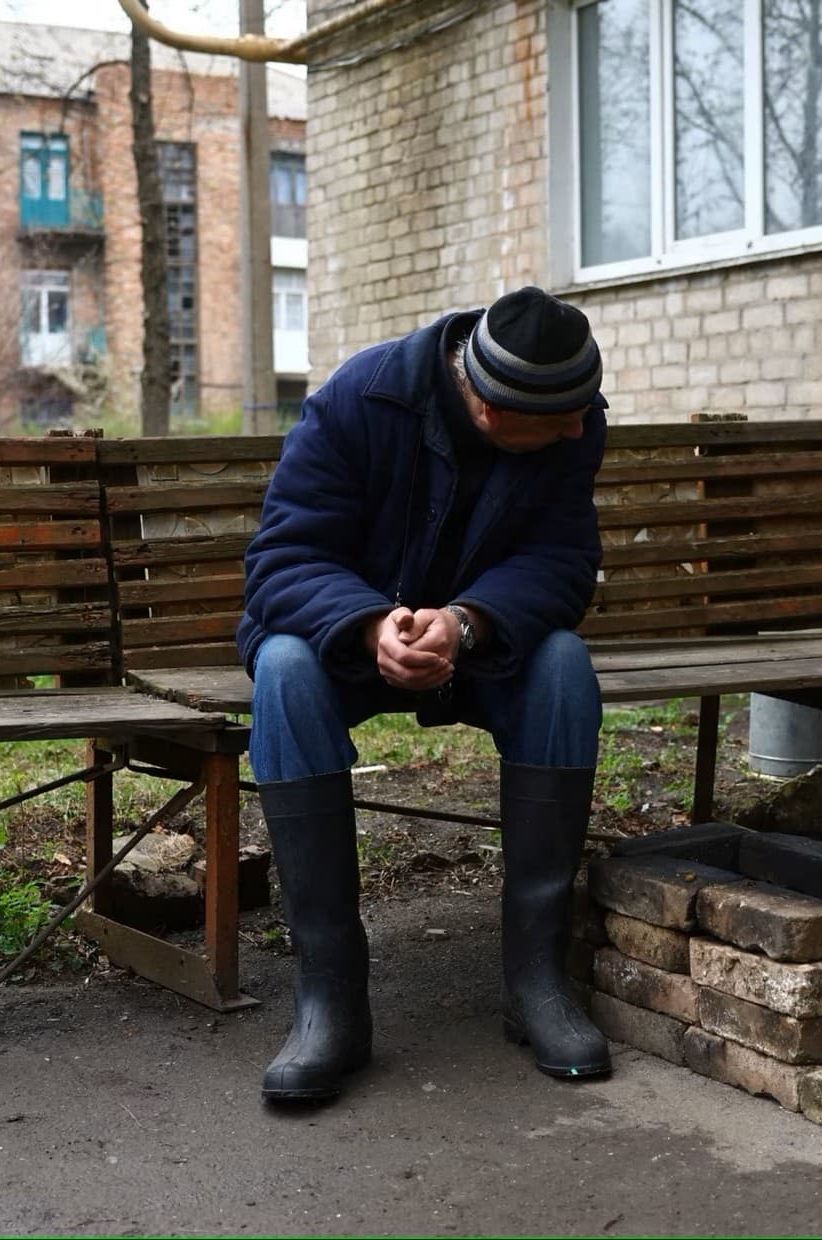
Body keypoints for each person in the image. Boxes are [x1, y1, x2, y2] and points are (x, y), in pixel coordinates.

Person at [238, 286, 611, 1102]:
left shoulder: (567, 413)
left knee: (563, 667)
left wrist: (470, 622)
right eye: (562, 422)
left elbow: (562, 563)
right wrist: (371, 626)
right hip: (344, 639)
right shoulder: (356, 401)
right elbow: (281, 560)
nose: (582, 431)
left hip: (481, 644)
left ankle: (535, 982)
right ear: (485, 407)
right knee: (283, 670)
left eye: (585, 411)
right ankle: (330, 1001)